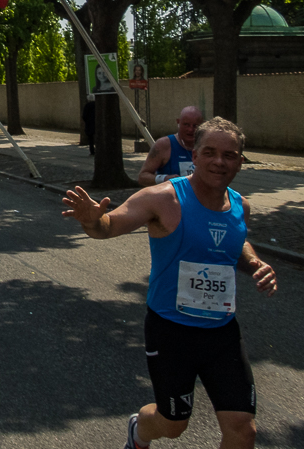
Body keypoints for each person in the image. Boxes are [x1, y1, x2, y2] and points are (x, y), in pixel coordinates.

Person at [61, 117, 277, 449]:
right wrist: (93, 219)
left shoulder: (240, 206)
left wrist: (255, 264)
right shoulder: (162, 199)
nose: (219, 161)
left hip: (222, 332)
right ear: (195, 155)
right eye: (210, 152)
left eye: (229, 155)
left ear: (240, 161)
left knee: (243, 428)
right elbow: (109, 226)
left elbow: (236, 243)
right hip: (171, 330)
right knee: (173, 423)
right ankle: (138, 431)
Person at [138, 106, 204, 187]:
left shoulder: (206, 145)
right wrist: (165, 179)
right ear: (178, 122)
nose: (190, 129)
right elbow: (142, 177)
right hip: (171, 197)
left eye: (195, 126)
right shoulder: (164, 145)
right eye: (186, 124)